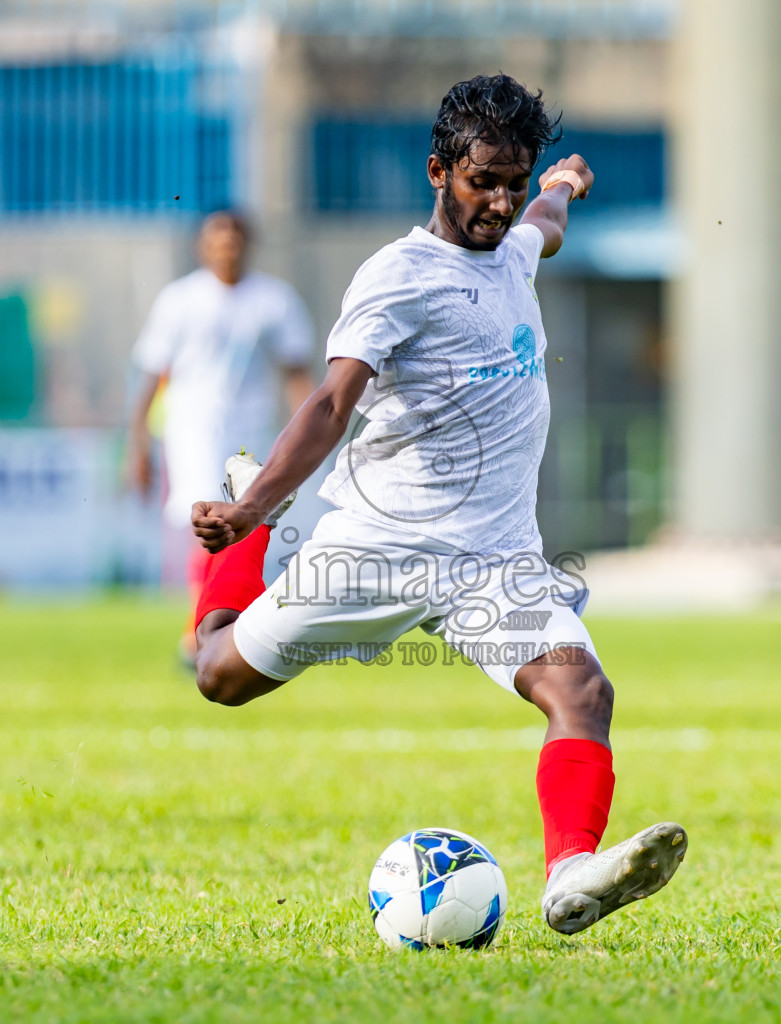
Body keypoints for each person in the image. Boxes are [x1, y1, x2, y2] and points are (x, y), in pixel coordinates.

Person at [185, 75, 685, 936]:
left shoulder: (518, 246)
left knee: (583, 691)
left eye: (513, 182)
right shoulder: (399, 276)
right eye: (480, 180)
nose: (498, 202)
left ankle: (571, 874)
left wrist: (561, 186)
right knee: (217, 674)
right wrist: (260, 500)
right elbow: (332, 406)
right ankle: (248, 518)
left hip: (492, 559)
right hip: (376, 545)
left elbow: (544, 227)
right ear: (437, 170)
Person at [124, 210, 313, 660]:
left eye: (235, 235)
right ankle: (199, 628)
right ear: (202, 245)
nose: (227, 244)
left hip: (250, 428)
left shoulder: (273, 300)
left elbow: (297, 374)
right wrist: (136, 444)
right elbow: (151, 376)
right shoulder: (180, 300)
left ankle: (220, 622)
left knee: (241, 522)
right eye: (217, 236)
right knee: (204, 517)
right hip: (191, 426)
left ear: (248, 242)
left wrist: (310, 437)